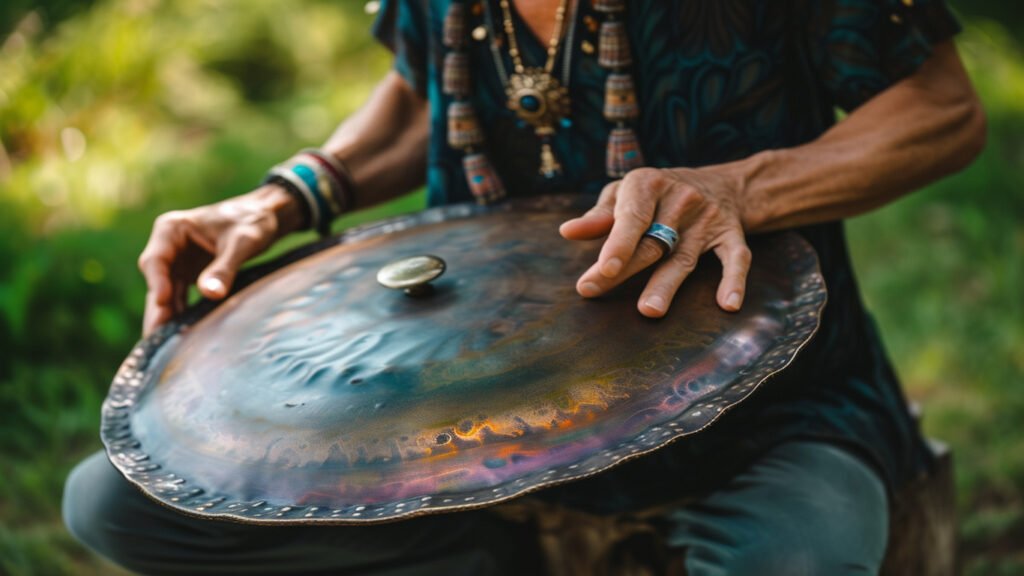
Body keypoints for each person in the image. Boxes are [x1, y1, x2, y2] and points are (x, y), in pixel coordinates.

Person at [63, 0, 985, 574]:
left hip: (760, 414)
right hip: (469, 420)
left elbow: (942, 111)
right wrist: (289, 195)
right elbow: (431, 87)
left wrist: (739, 187)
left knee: (800, 560)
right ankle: (474, 554)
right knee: (116, 505)